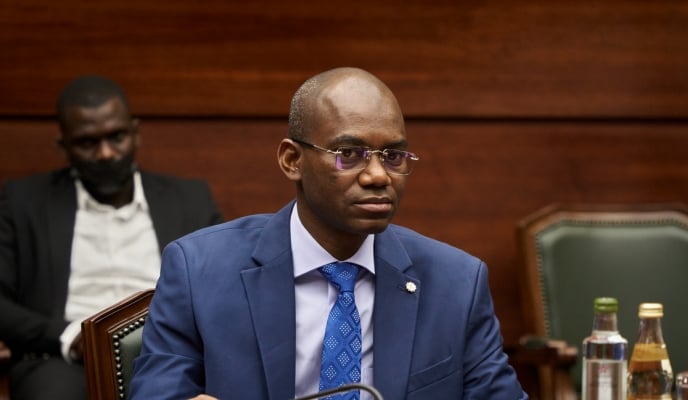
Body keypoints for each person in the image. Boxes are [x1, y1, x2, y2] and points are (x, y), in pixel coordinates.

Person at [130, 67, 527, 400]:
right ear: (292, 161)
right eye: (349, 154)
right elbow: (158, 392)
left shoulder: (456, 282)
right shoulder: (199, 269)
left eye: (392, 156)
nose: (377, 176)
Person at [0, 75, 223, 399]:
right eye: (88, 142)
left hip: (172, 352)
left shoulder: (189, 198)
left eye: (116, 137)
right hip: (62, 360)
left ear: (136, 133)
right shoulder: (23, 202)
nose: (105, 153)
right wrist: (63, 336)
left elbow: (227, 280)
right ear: (63, 146)